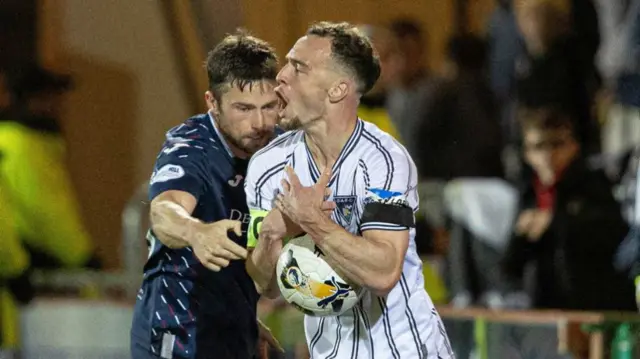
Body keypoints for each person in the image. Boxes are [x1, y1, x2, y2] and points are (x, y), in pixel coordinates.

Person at [245, 22, 453, 358]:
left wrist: (311, 221)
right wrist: (270, 235)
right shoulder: (267, 166)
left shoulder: (383, 159)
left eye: (299, 67)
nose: (281, 76)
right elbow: (263, 284)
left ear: (338, 90)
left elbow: (384, 271)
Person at [130, 32, 283, 359]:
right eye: (243, 108)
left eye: (269, 106)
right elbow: (164, 211)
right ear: (212, 103)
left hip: (235, 329)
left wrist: (244, 319)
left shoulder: (278, 146)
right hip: (178, 331)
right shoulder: (190, 148)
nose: (259, 122)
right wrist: (196, 232)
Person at [501, 108, 635, 311]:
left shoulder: (593, 184)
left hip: (594, 307)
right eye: (538, 146)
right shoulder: (528, 194)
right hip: (545, 312)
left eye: (556, 144)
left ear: (573, 146)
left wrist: (554, 223)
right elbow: (509, 268)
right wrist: (520, 236)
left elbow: (614, 236)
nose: (548, 154)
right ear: (527, 154)